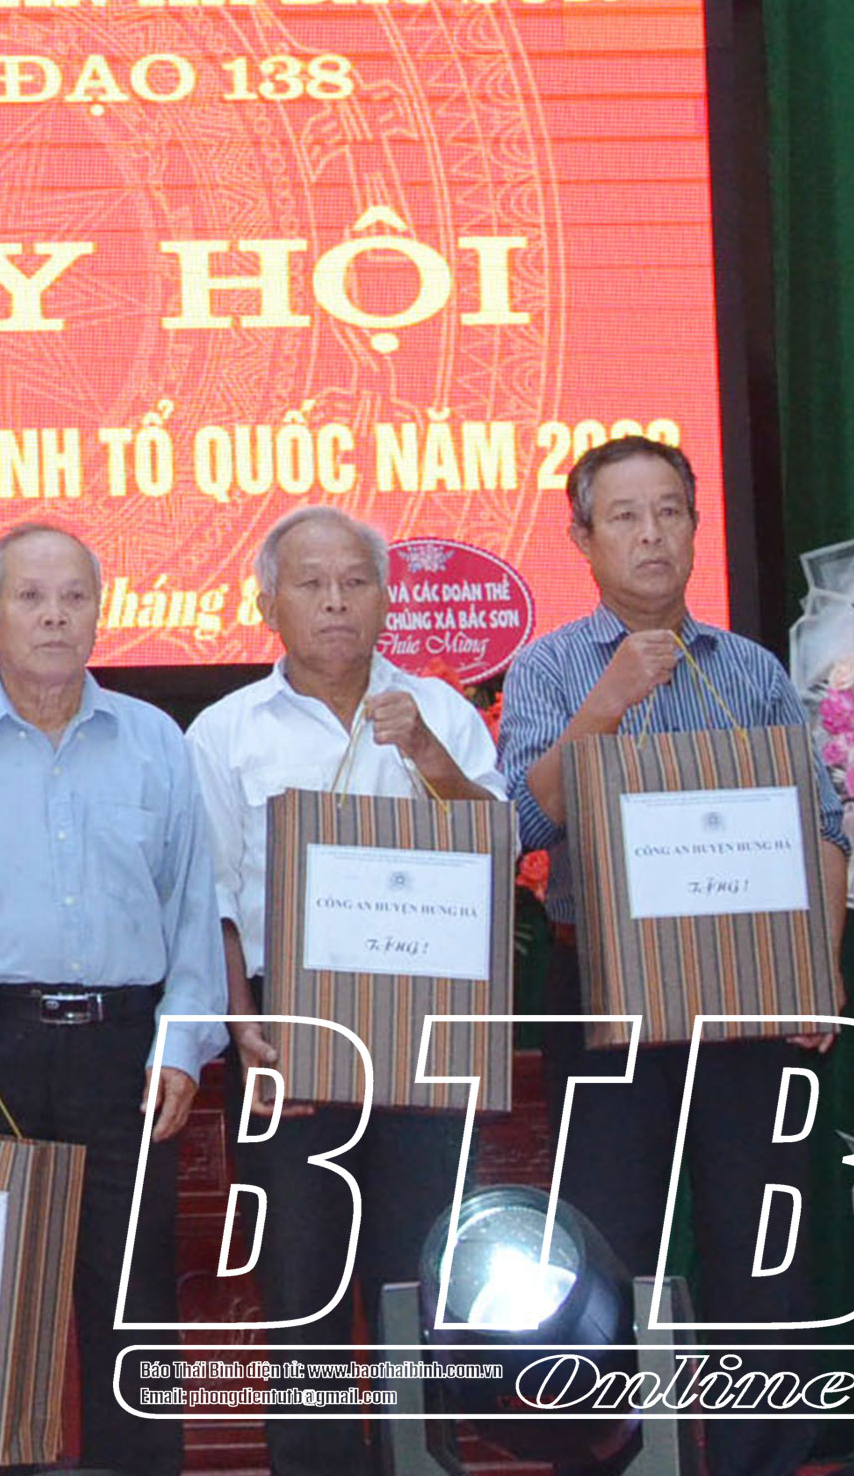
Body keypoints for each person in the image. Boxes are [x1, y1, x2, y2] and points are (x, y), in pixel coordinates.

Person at [498, 437, 846, 1476]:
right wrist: (606, 705)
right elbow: (519, 823)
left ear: (696, 527)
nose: (651, 535)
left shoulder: (751, 669)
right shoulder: (550, 667)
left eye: (670, 512)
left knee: (760, 1243)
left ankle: (761, 1459)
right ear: (583, 538)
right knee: (609, 1244)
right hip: (603, 996)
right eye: (625, 516)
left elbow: (823, 828)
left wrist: (820, 970)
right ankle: (613, 1457)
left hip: (754, 996)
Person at [0, 521, 222, 1476]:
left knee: (133, 1302)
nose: (55, 616)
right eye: (30, 597)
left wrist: (182, 1047)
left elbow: (193, 914)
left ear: (100, 612)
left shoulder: (156, 743)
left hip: (126, 1056)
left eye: (74, 596)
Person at [185, 505, 505, 1476]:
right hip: (287, 1037)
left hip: (429, 1030)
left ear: (385, 599)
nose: (335, 601)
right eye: (312, 583)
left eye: (356, 581)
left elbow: (497, 852)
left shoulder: (440, 711)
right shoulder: (226, 732)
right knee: (303, 1290)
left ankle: (425, 1462)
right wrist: (245, 1037)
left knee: (423, 1282)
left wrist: (429, 758)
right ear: (268, 603)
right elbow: (211, 905)